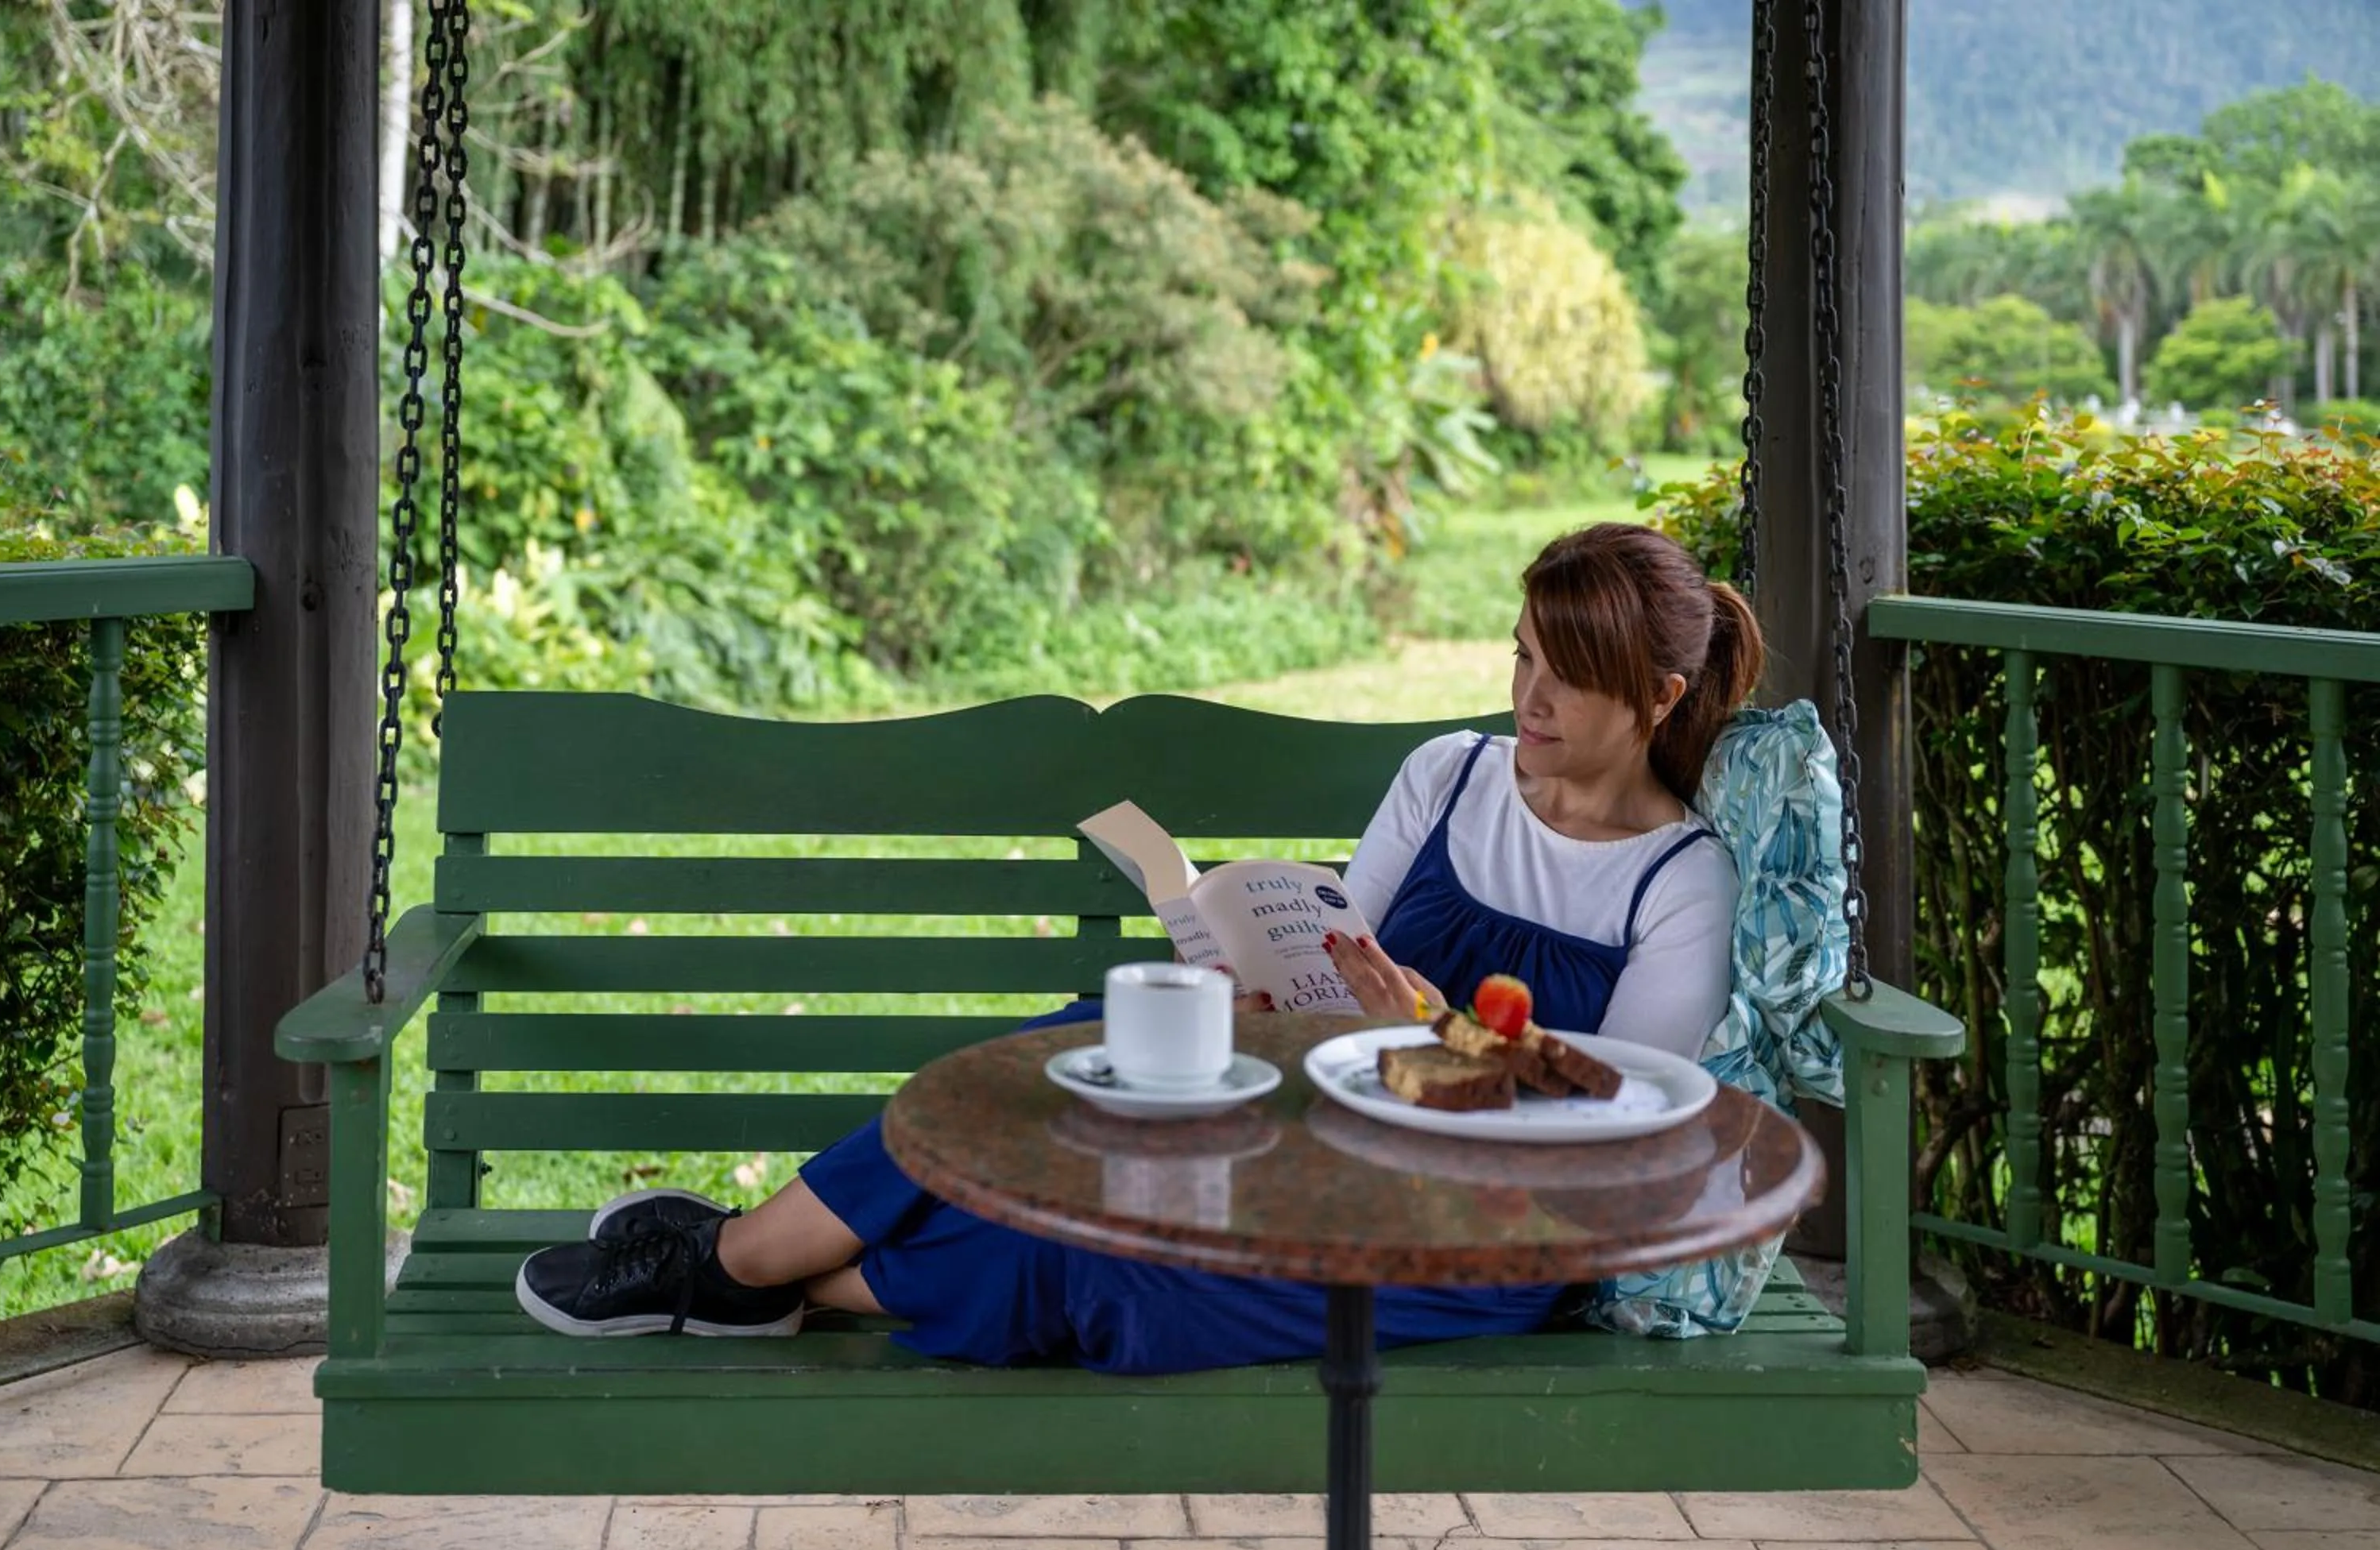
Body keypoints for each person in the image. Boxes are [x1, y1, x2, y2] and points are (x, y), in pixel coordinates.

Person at [514, 522, 1767, 1371]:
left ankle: (734, 1265)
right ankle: (745, 1265)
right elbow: (1335, 950)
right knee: (1048, 1065)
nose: (1525, 701)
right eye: (1521, 658)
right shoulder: (1449, 777)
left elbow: (1614, 1145)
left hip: (1468, 1232)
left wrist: (1429, 1038)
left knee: (1096, 1269)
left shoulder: (1679, 882)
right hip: (1314, 1116)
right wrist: (1254, 976)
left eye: (1567, 679)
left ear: (1658, 696)